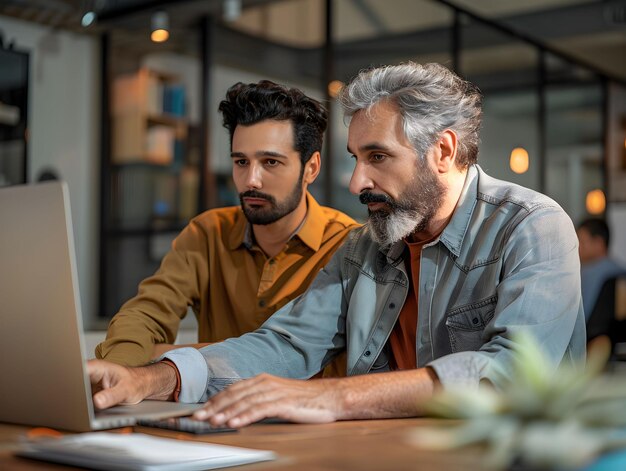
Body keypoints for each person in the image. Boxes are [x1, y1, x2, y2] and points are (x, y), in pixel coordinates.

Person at [88, 62, 585, 426]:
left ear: (444, 150)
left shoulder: (533, 227)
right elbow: (285, 342)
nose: (356, 182)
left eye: (377, 156)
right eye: (354, 157)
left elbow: (513, 375)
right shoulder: (366, 247)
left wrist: (335, 398)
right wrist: (149, 380)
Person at [95, 80, 359, 369]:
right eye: (241, 162)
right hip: (210, 411)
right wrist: (117, 371)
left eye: (270, 162)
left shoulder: (347, 245)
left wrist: (178, 354)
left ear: (311, 168)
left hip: (310, 414)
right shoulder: (209, 233)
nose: (250, 181)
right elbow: (144, 315)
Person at [577, 218, 626, 320]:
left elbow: (582, 319)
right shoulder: (619, 270)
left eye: (581, 242)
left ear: (599, 243)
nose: (577, 247)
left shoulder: (590, 272)